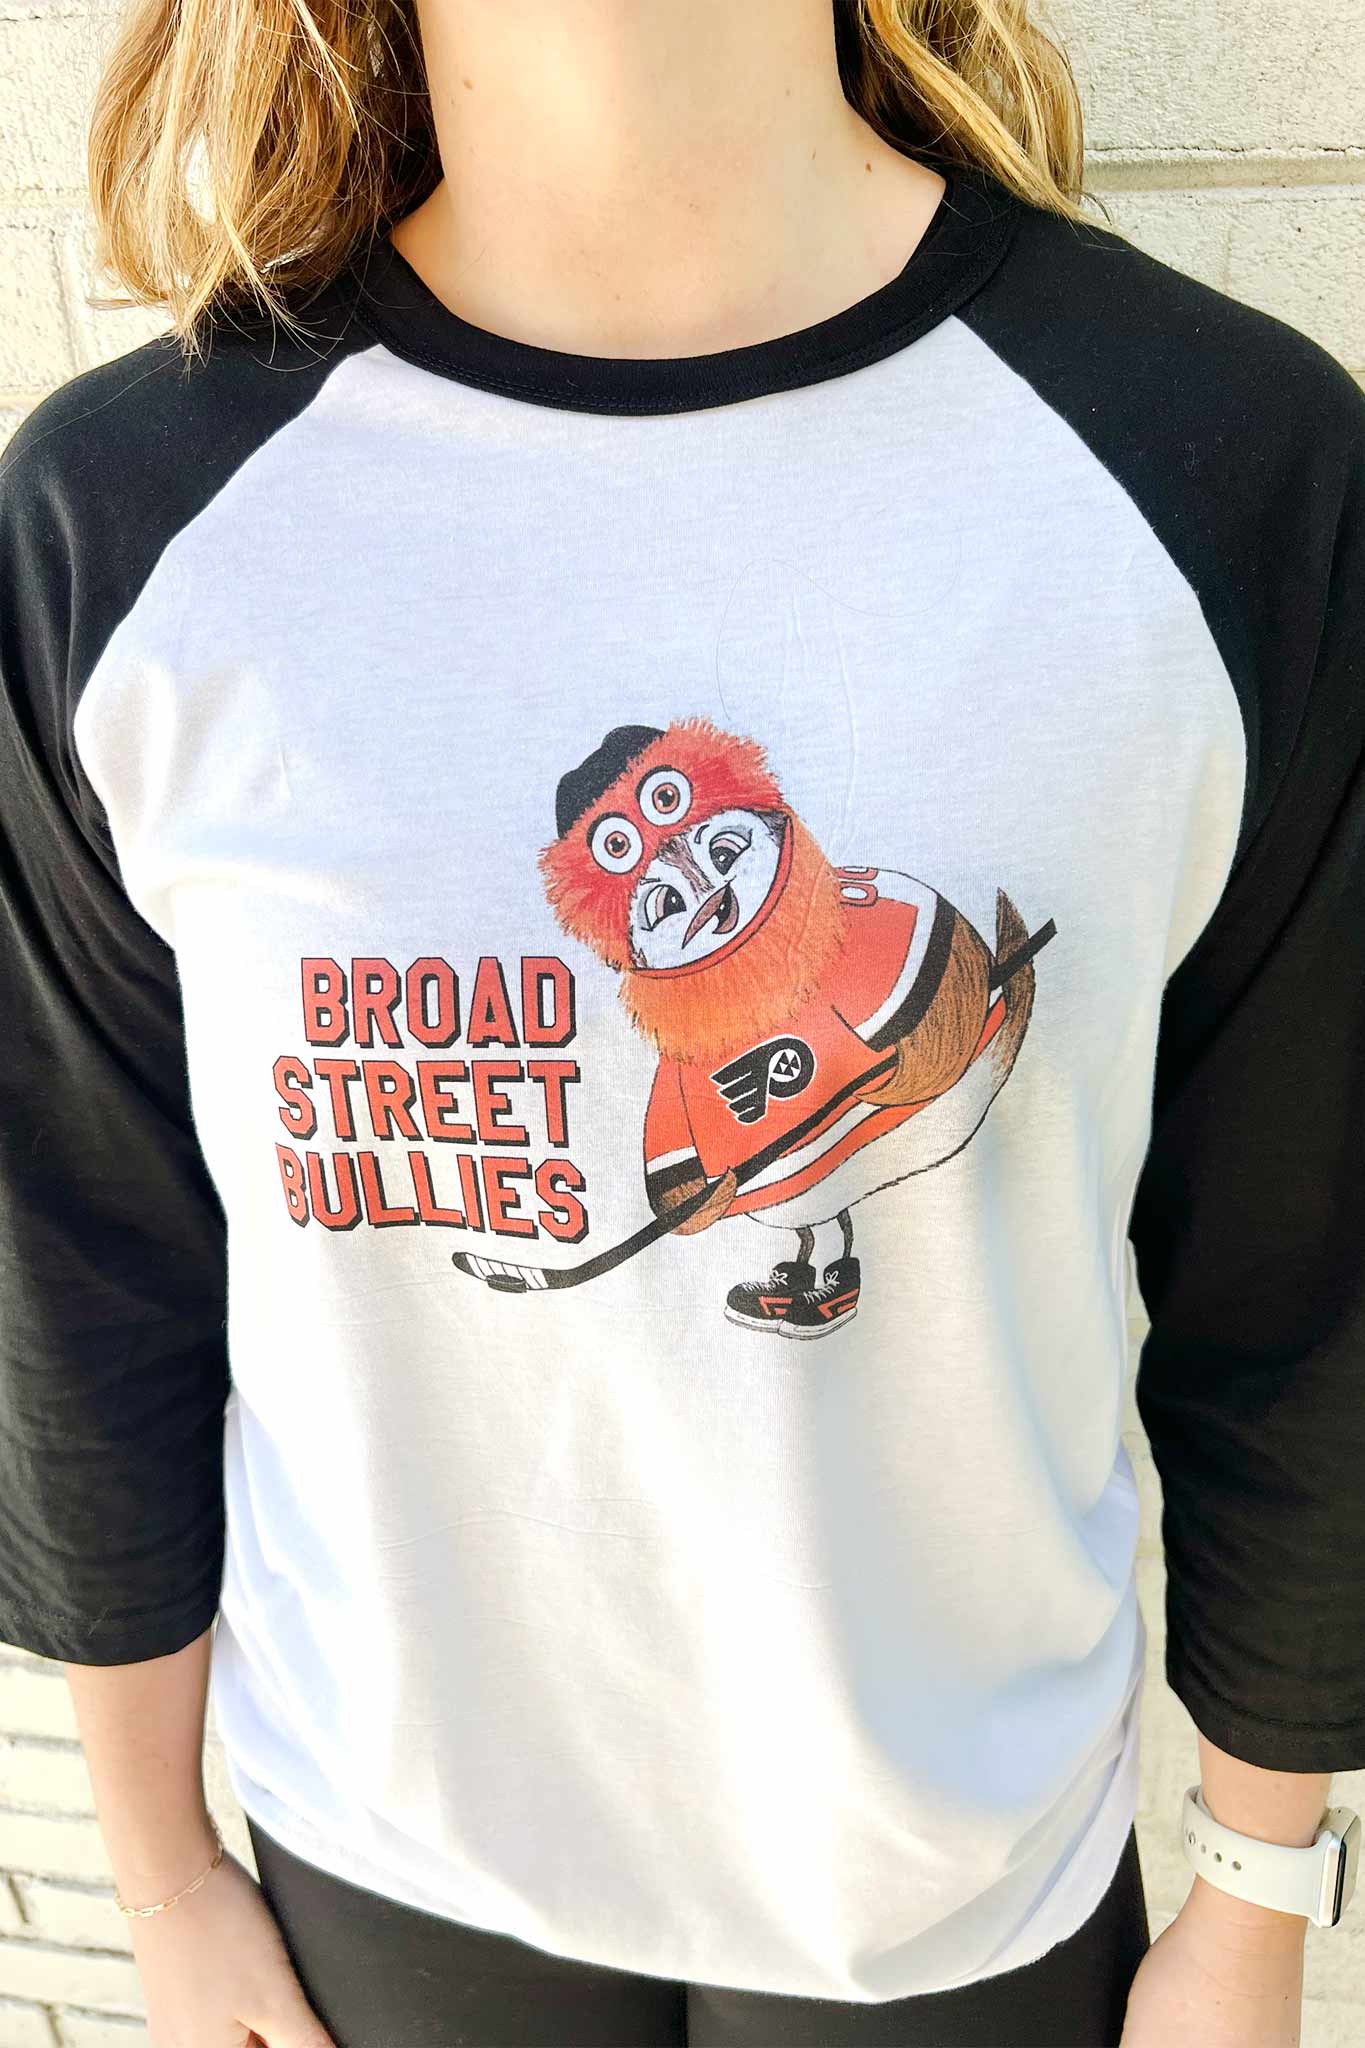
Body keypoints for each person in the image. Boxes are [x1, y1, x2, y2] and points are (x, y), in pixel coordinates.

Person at [0, 1, 1361, 2043]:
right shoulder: (127, 522)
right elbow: (83, 1271)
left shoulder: (1218, 463)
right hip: (387, 1843)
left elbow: (1305, 1280)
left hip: (959, 1863)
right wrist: (161, 1872)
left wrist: (1255, 1893)